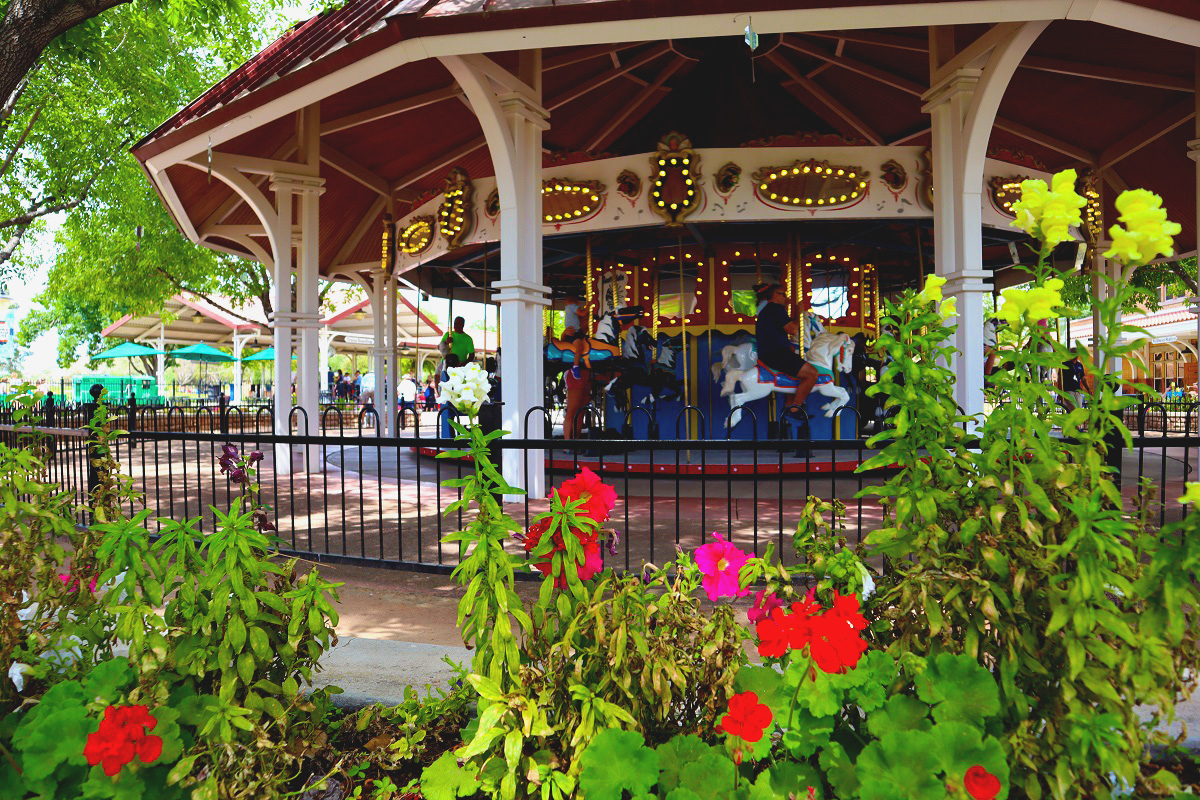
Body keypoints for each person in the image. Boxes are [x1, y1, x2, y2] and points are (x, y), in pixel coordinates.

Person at [754, 283, 819, 414]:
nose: (786, 298)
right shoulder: (776, 309)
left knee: (796, 370)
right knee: (812, 374)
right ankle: (795, 408)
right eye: (783, 294)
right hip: (776, 354)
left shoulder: (766, 310)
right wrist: (798, 313)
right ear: (775, 295)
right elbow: (793, 330)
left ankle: (790, 402)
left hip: (769, 353)